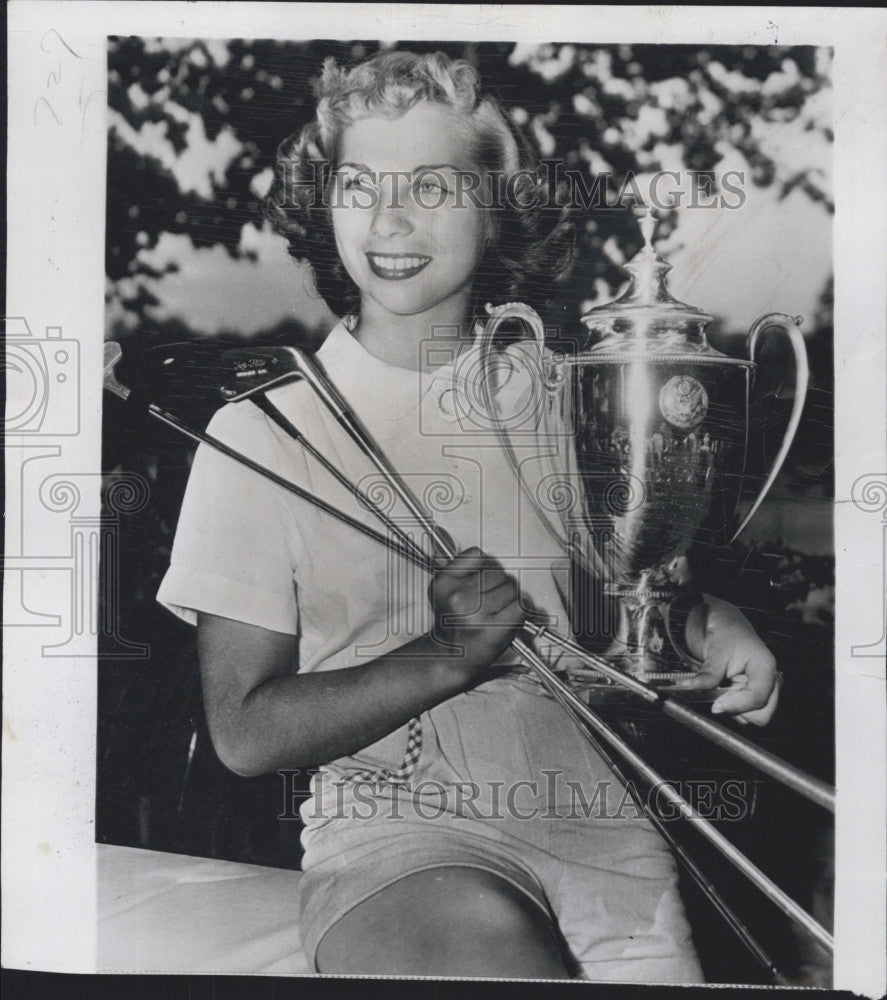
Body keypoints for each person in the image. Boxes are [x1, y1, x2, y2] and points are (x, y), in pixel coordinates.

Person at [157, 50, 779, 981]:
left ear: (499, 210)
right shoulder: (263, 431)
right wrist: (444, 656)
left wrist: (710, 627)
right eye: (358, 185)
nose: (388, 220)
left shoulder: (568, 395)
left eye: (434, 187)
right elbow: (245, 734)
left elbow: (616, 603)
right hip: (403, 841)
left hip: (612, 840)